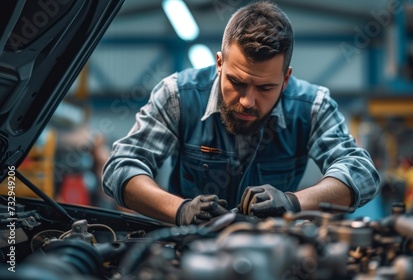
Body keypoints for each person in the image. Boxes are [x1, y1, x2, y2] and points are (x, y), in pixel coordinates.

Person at [102, 1, 380, 226]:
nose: (248, 101)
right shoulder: (177, 96)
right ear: (220, 63)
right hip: (187, 252)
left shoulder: (312, 106)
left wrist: (293, 203)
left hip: (276, 258)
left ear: (285, 80)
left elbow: (361, 173)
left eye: (265, 87)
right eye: (237, 82)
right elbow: (120, 168)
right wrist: (180, 210)